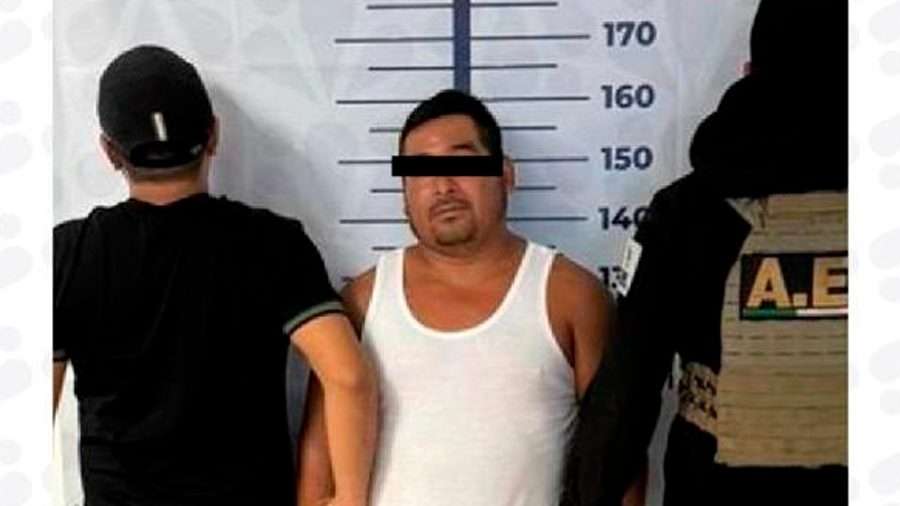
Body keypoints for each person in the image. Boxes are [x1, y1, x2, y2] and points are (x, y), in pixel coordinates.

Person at [52, 45, 377, 506]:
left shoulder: (67, 254)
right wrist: (348, 499)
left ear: (110, 152)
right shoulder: (273, 243)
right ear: (213, 136)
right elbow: (348, 377)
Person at [298, 89, 642, 505]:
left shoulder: (572, 297)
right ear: (404, 196)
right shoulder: (362, 301)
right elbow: (319, 461)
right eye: (421, 172)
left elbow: (618, 453)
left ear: (506, 174)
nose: (443, 186)